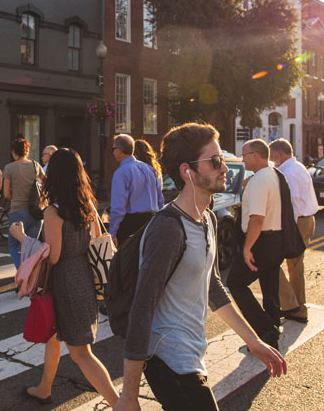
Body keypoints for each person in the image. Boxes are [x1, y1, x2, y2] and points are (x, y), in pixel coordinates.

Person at [115, 123, 286, 411]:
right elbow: (141, 309)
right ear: (187, 171)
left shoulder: (207, 219)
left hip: (193, 357)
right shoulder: (168, 230)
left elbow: (213, 286)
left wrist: (254, 341)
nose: (225, 169)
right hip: (170, 364)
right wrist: (129, 396)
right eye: (216, 161)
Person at [10, 148, 119, 406]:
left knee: (81, 352)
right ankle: (44, 388)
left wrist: (22, 238)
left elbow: (54, 256)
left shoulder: (53, 212)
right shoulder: (87, 205)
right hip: (83, 274)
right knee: (53, 335)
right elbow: (94, 241)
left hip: (65, 281)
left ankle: (119, 404)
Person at [227, 139, 286, 349]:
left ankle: (265, 331)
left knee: (235, 283)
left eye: (244, 155)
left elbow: (257, 218)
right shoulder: (271, 175)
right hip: (275, 239)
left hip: (261, 240)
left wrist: (247, 248)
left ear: (255, 155)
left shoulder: (260, 180)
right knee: (269, 285)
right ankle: (271, 332)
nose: (242, 159)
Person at [269, 138, 319, 323]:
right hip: (306, 220)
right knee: (295, 266)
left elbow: (293, 204)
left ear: (280, 154)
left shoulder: (288, 173)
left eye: (273, 155)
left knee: (273, 263)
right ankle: (297, 307)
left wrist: (286, 231)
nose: (272, 159)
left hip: (297, 222)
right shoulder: (298, 167)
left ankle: (293, 306)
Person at [109, 134, 163, 247]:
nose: (113, 152)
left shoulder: (121, 173)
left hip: (130, 224)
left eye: (113, 149)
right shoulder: (149, 169)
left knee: (128, 262)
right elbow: (160, 199)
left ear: (119, 151)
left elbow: (118, 208)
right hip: (151, 220)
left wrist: (112, 233)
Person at [3, 137, 45, 269]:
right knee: (31, 246)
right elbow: (47, 183)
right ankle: (31, 275)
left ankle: (23, 273)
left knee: (14, 245)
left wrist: (15, 197)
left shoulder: (9, 168)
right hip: (36, 212)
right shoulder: (35, 165)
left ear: (14, 152)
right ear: (27, 151)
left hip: (17, 211)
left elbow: (6, 194)